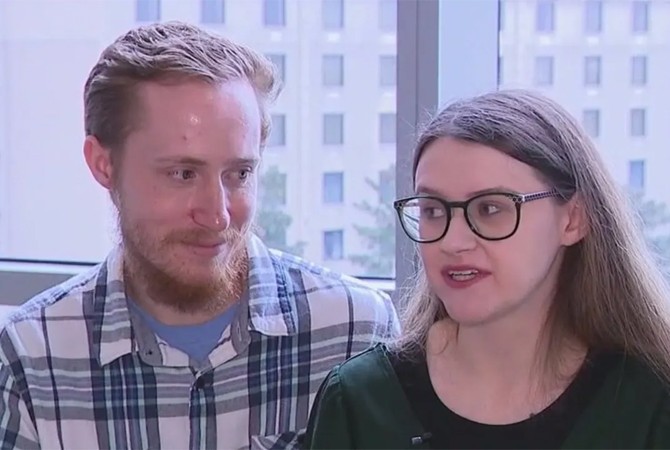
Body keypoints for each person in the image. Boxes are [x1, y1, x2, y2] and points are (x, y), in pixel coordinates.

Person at [0, 21, 399, 450]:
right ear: (103, 165)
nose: (217, 215)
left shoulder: (356, 333)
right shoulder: (32, 359)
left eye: (239, 173)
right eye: (183, 174)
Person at [303, 89, 670, 449]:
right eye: (433, 210)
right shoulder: (359, 401)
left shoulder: (649, 400)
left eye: (490, 209)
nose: (453, 241)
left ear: (574, 219)